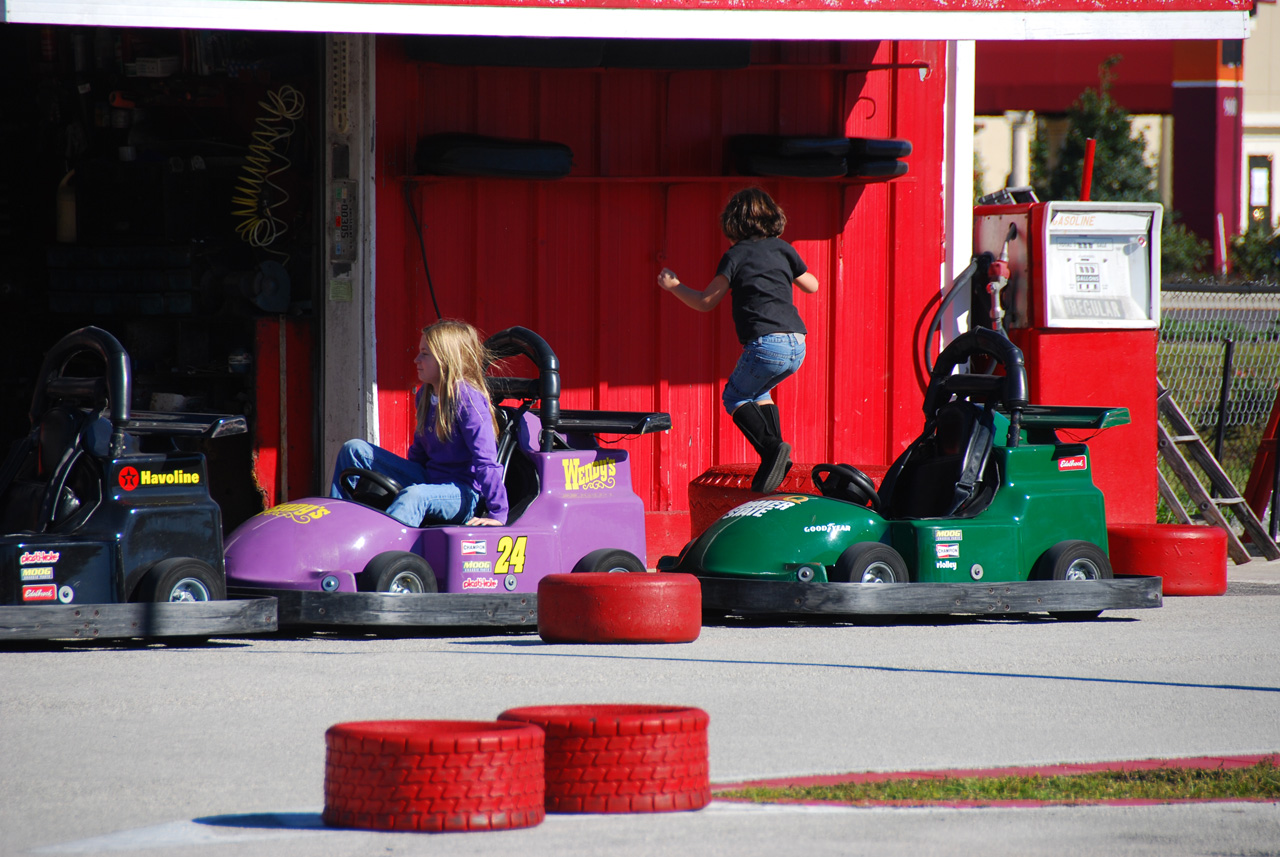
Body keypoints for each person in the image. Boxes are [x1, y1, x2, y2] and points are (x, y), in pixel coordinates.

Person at [658, 187, 819, 494]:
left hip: (766, 344)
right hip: (797, 344)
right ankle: (778, 460)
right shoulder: (783, 249)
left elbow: (706, 301)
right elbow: (812, 285)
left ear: (732, 224)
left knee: (734, 397)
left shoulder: (736, 255)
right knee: (761, 393)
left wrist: (674, 286)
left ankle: (772, 450)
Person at [330, 319, 508, 527]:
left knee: (416, 495)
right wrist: (402, 475)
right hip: (429, 478)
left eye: (425, 354)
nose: (416, 359)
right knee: (354, 449)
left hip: (462, 493)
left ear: (446, 359)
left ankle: (381, 554)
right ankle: (336, 525)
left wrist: (498, 514)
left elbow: (485, 461)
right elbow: (419, 454)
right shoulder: (426, 394)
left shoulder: (468, 399)